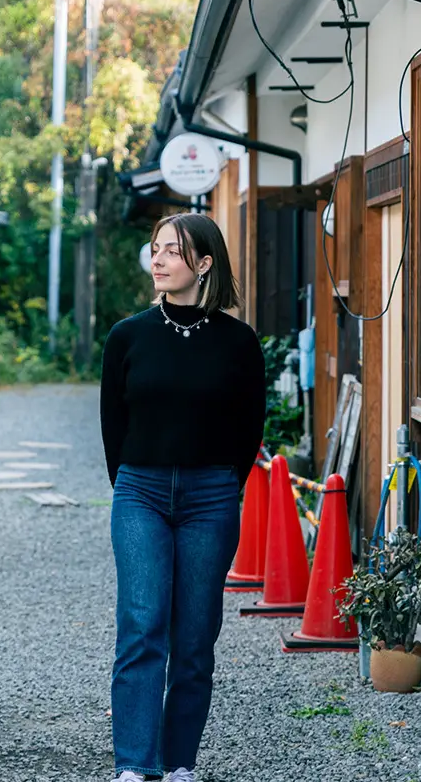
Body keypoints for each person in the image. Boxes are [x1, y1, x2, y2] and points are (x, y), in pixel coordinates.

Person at [99, 212, 267, 782]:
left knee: (195, 636)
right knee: (142, 624)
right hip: (140, 492)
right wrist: (127, 483)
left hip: (211, 498)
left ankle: (178, 764)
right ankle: (133, 764)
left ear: (204, 264)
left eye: (173, 250)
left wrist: (221, 485)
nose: (160, 259)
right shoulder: (127, 336)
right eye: (156, 249)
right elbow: (111, 427)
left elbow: (250, 430)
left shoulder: (239, 343)